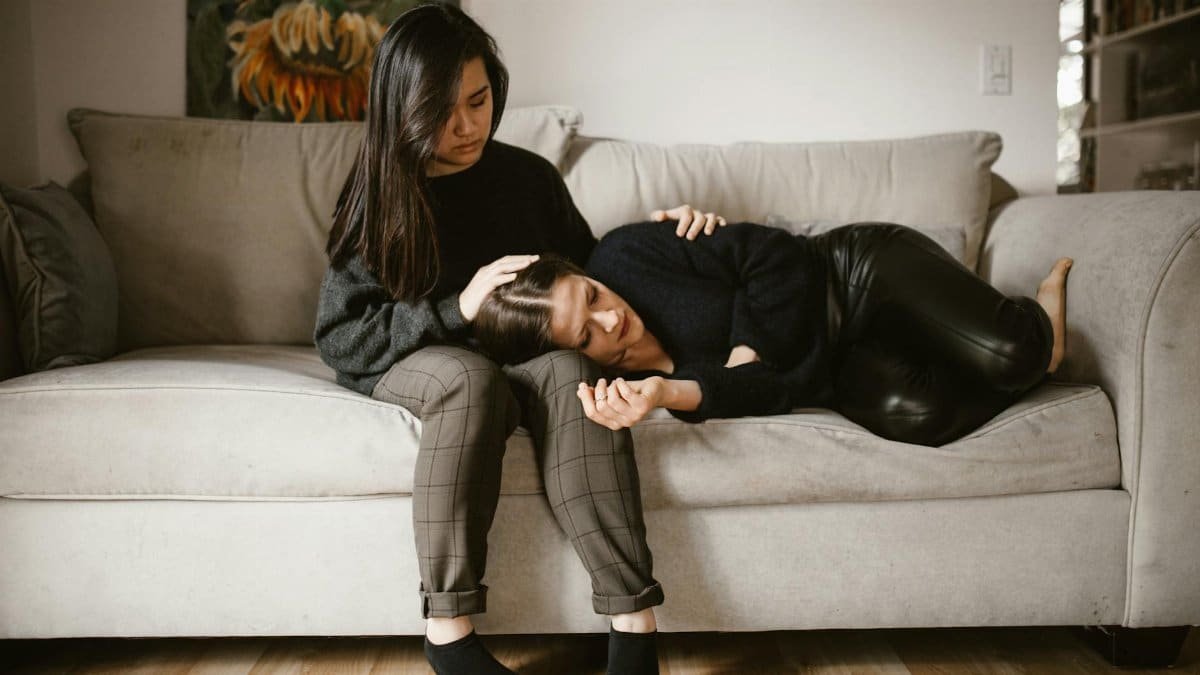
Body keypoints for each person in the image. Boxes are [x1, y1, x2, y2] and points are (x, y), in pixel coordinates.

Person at [313, 4, 728, 674]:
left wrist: (668, 239)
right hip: (417, 359)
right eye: (444, 112)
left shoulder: (528, 177)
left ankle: (634, 629)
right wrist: (457, 308)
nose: (467, 126)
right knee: (468, 377)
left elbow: (597, 276)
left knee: (571, 370)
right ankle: (449, 636)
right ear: (406, 110)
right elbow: (340, 335)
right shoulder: (379, 193)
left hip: (522, 365)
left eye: (478, 101)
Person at [472, 219, 1073, 447]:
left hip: (850, 276)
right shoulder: (615, 388)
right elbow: (762, 395)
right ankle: (976, 349)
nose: (612, 317)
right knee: (917, 416)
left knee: (1014, 352)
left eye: (593, 296)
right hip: (835, 368)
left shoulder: (624, 253)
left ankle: (1033, 322)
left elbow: (773, 254)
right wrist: (666, 393)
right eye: (586, 335)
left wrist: (747, 350)